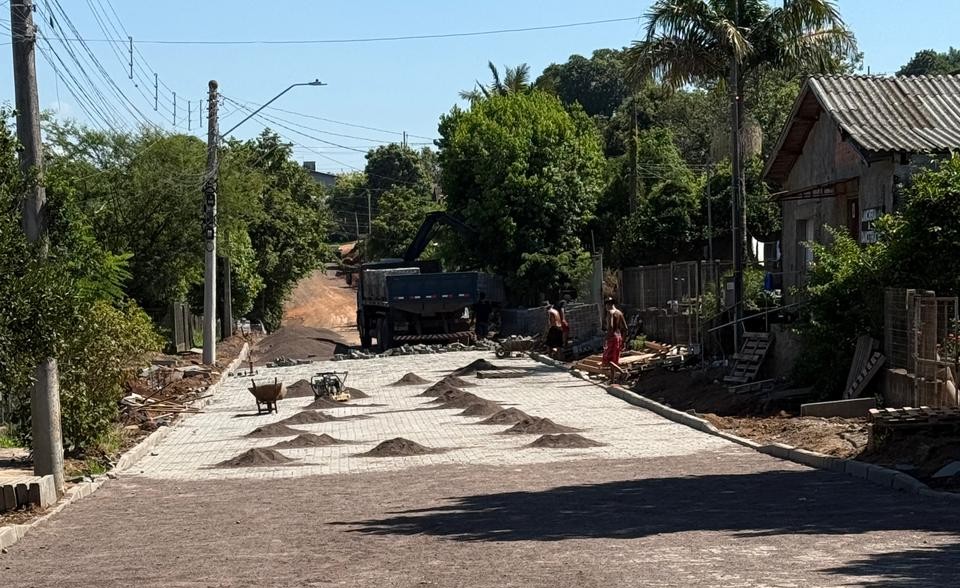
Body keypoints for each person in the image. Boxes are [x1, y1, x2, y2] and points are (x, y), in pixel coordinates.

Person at [602, 297, 628, 382]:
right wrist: (623, 341)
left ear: (608, 304)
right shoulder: (619, 313)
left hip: (612, 337)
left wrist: (606, 338)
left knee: (606, 360)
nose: (605, 307)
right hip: (619, 336)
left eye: (606, 305)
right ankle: (612, 379)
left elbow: (611, 327)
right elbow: (625, 328)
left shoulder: (610, 312)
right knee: (613, 360)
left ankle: (622, 372)